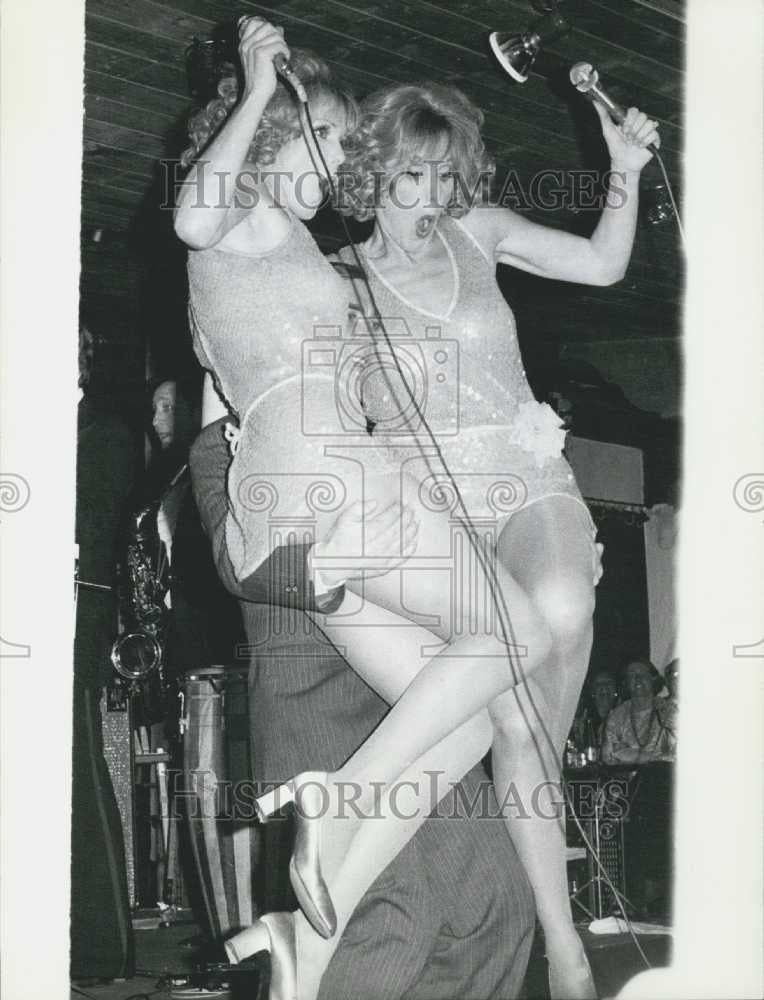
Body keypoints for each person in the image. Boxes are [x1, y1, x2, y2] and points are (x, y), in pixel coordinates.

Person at [174, 18, 658, 1000]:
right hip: (332, 498)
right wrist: (261, 86)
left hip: (333, 510)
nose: (347, 163)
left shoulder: (302, 248)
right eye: (344, 147)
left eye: (446, 179)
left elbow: (248, 362)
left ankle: (302, 937)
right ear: (286, 143)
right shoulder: (256, 225)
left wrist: (620, 171)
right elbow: (193, 220)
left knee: (475, 722)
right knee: (519, 631)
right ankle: (344, 798)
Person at [190, 416, 536, 999]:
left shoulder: (392, 409)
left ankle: (296, 936)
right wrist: (323, 565)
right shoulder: (240, 422)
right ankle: (301, 940)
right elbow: (236, 560)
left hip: (436, 705)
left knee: (497, 911)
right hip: (327, 710)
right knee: (390, 931)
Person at [71, 323, 136, 982]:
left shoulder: (106, 433)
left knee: (78, 767)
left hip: (75, 608)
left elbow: (95, 531)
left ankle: (100, 945)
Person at [601, 659, 673, 765]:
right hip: (626, 779)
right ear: (626, 683)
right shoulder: (616, 716)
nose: (638, 679)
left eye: (643, 674)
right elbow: (608, 756)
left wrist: (632, 755)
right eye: (631, 675)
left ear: (653, 679)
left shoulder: (667, 710)